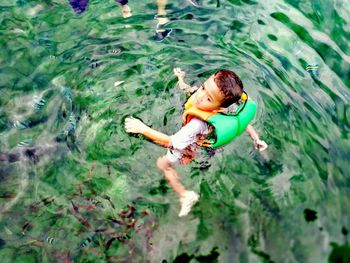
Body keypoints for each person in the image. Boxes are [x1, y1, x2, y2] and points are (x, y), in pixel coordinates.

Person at [125, 68, 268, 217]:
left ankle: (185, 194)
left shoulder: (197, 124)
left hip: (191, 146)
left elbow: (170, 142)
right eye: (203, 87)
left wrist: (142, 129)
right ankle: (186, 82)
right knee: (190, 91)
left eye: (209, 99)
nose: (200, 96)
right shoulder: (226, 110)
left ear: (219, 107)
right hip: (209, 144)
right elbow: (241, 123)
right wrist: (256, 139)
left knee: (163, 164)